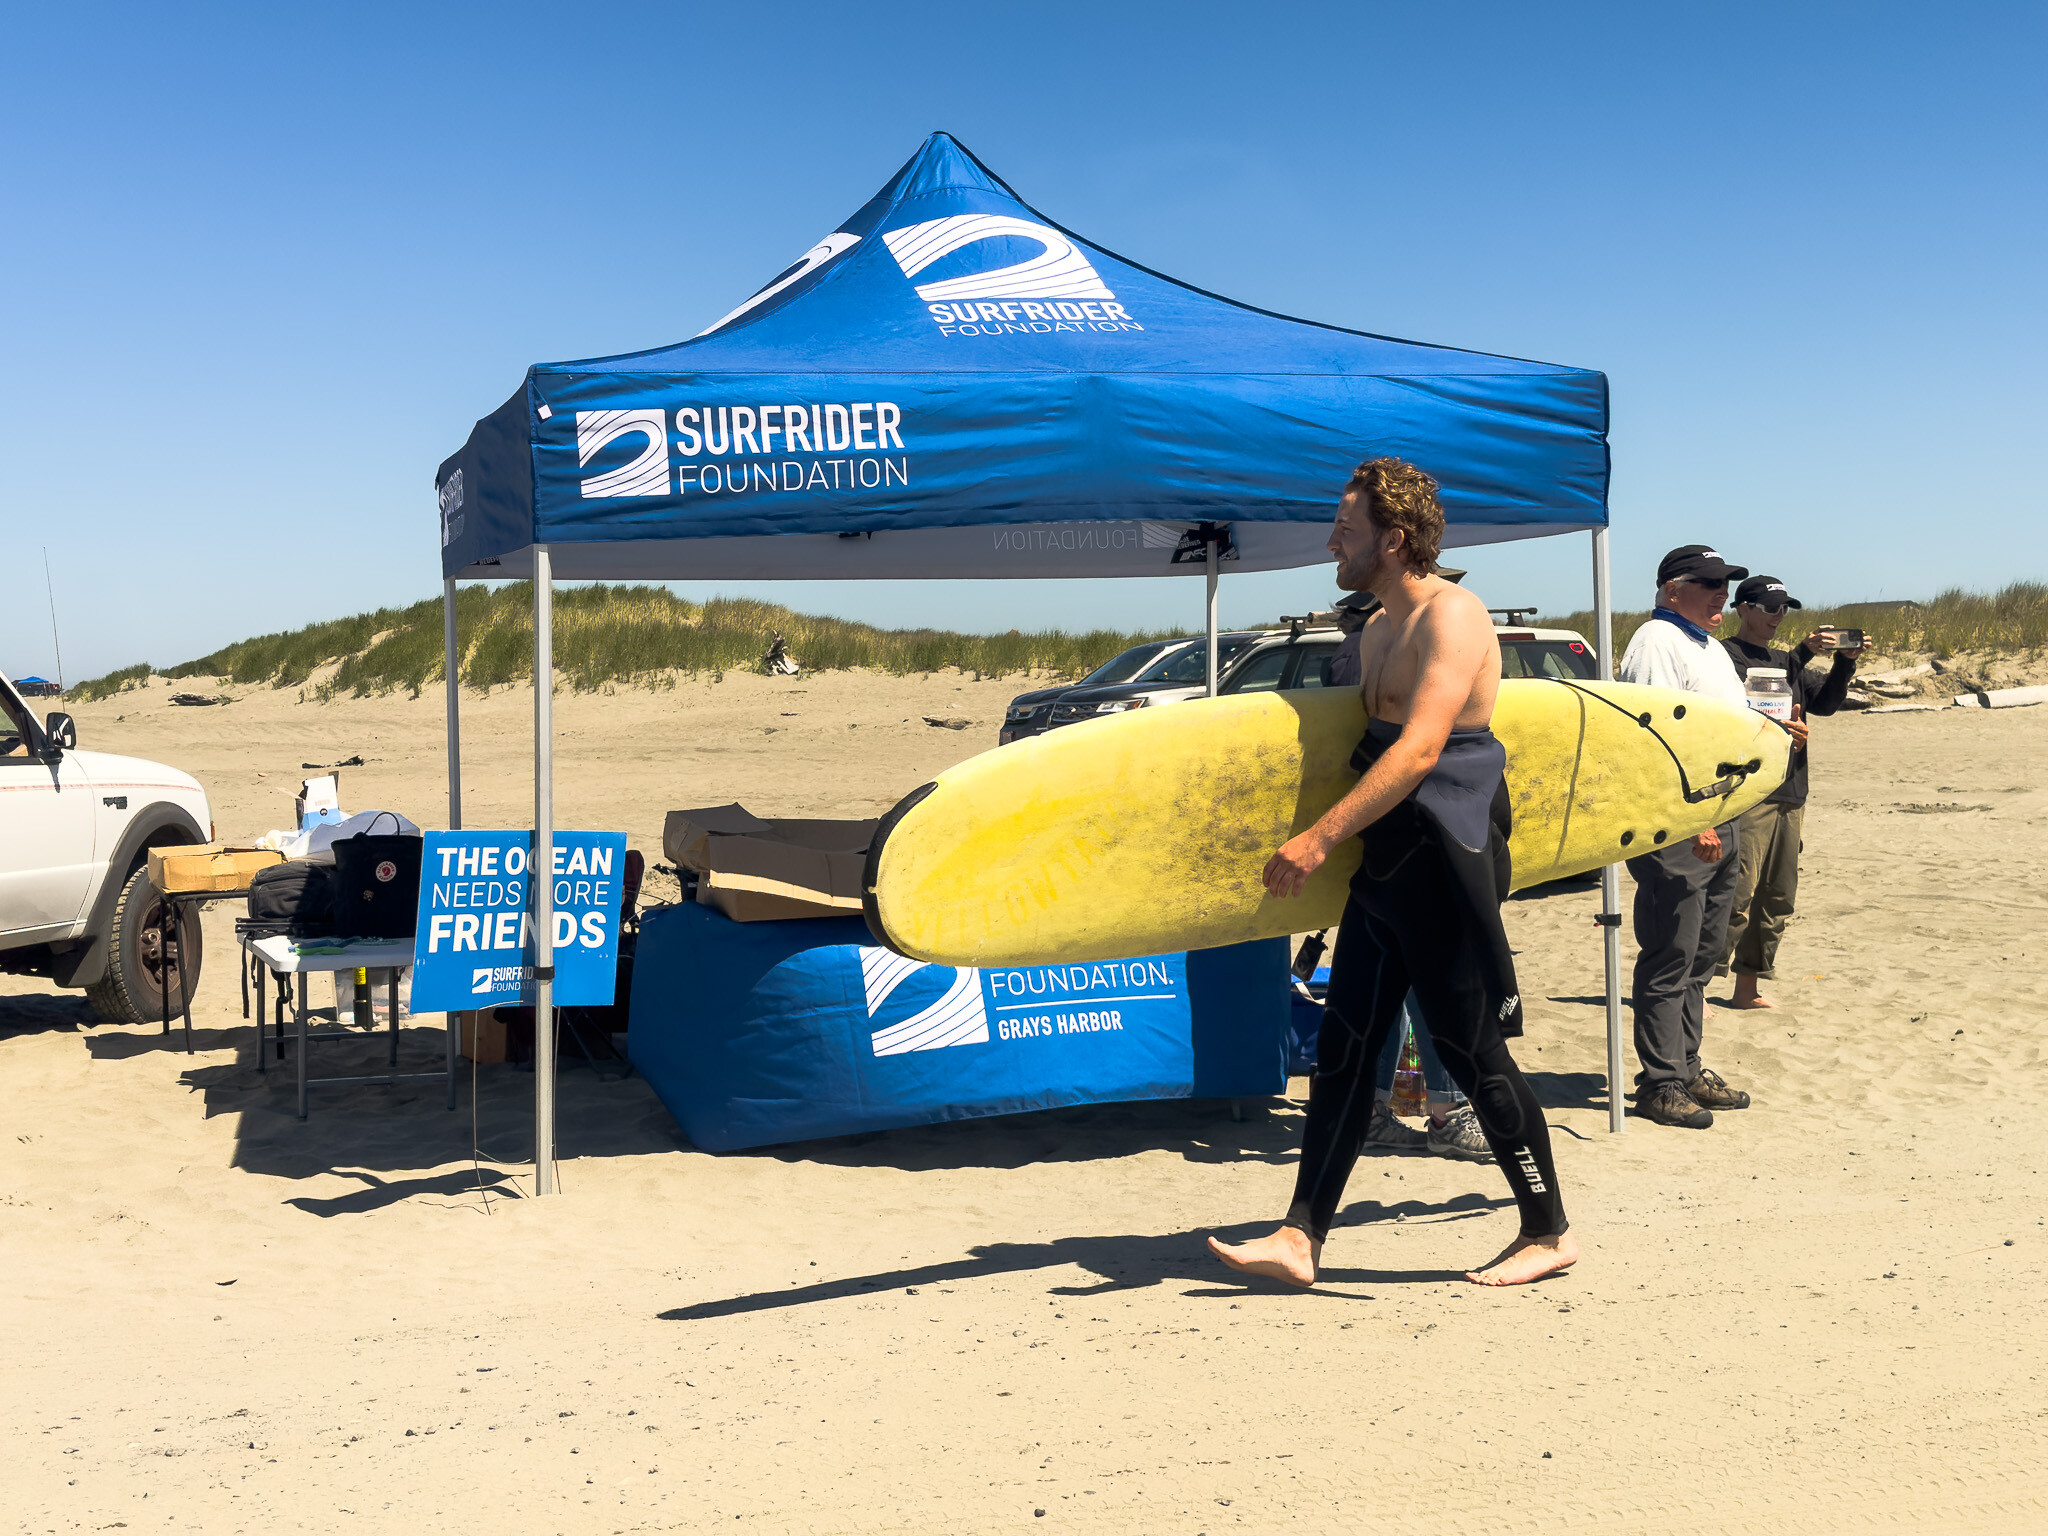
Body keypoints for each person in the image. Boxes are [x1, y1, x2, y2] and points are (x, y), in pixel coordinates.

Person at [1209, 457, 1574, 1288]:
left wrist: (1315, 841)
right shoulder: (1373, 628)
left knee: (1471, 1050)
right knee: (1345, 1046)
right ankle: (1301, 1236)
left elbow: (1419, 749)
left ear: (1394, 538)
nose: (1331, 542)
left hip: (1444, 852)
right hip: (1387, 858)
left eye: (1345, 529)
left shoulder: (1455, 615)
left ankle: (1549, 1231)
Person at [1328, 592, 1491, 1163]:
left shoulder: (1359, 650)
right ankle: (1448, 1109)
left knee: (1383, 987)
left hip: (1371, 836)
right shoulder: (1389, 644)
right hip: (1412, 831)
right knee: (1432, 977)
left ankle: (1373, 1109)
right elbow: (1417, 749)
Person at [1616, 545, 1756, 1130]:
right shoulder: (1655, 641)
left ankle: (1687, 1064)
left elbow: (1725, 725)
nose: (1721, 594)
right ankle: (1661, 1081)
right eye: (1710, 584)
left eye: (1725, 584)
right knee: (1671, 952)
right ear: (1674, 588)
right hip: (1682, 823)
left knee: (1703, 954)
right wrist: (1687, 818)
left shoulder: (1711, 646)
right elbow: (1650, 741)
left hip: (1726, 813)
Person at [1717, 575, 1867, 1008]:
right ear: (1743, 608)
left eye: (1784, 609)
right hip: (1748, 794)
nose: (1778, 617)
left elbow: (1824, 704)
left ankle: (1747, 989)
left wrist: (1844, 663)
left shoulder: (1789, 661)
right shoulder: (1725, 656)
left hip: (1790, 791)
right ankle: (1696, 990)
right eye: (1769, 608)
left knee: (1776, 899)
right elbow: (1752, 699)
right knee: (1736, 896)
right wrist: (1803, 653)